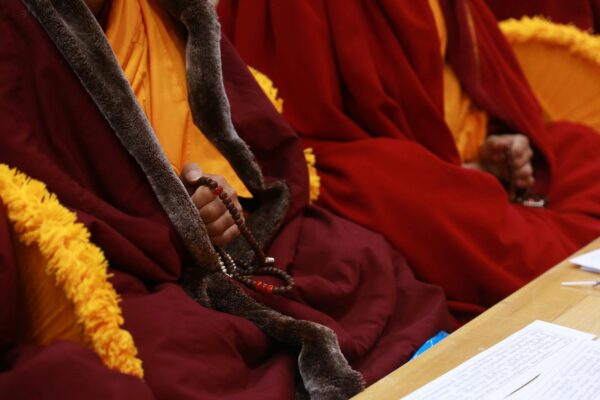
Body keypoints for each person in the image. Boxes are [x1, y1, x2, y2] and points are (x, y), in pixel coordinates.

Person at [0, 0, 453, 398]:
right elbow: (41, 194)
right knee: (166, 356)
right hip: (132, 265)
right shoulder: (14, 31)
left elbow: (246, 131)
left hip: (236, 245)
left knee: (359, 257)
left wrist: (229, 196)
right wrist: (175, 220)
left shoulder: (167, 5)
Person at [218, 0, 600, 322]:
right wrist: (455, 173)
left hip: (460, 158)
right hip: (364, 165)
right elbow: (299, 128)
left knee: (581, 146)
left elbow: (469, 80)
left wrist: (495, 139)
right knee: (414, 193)